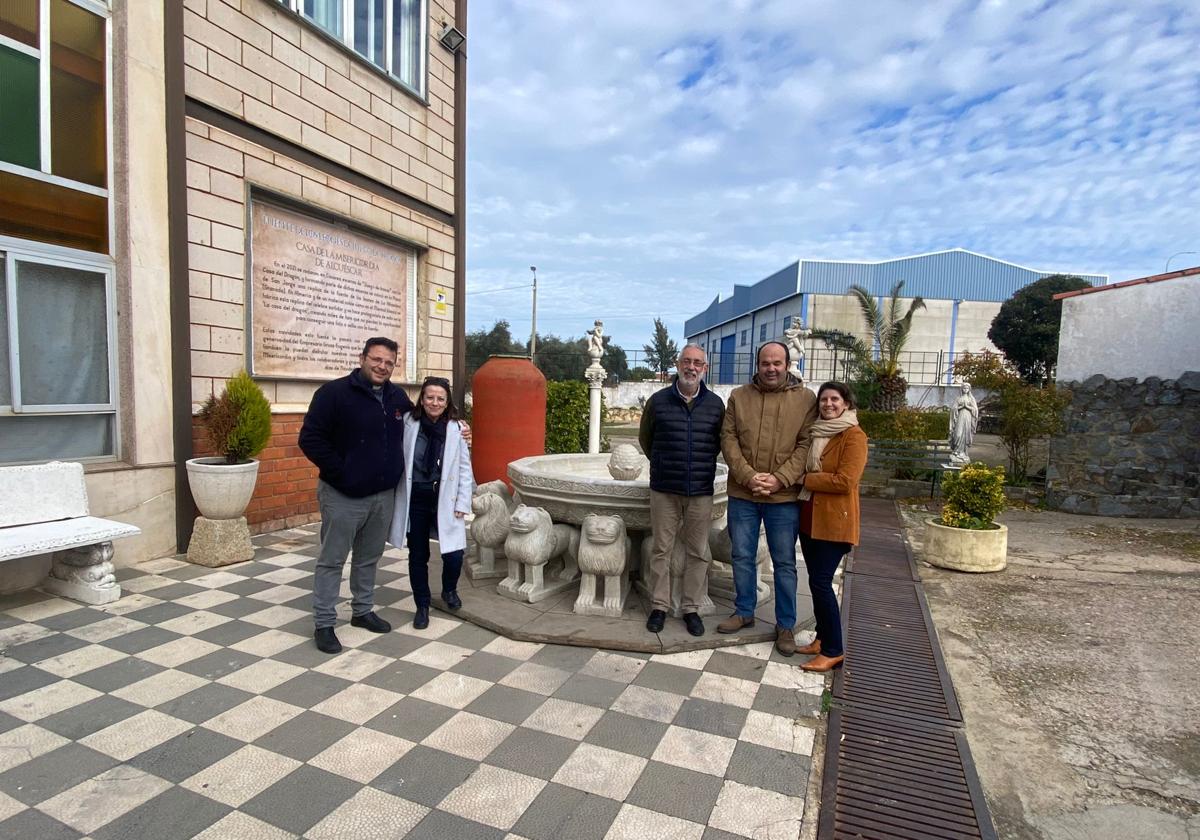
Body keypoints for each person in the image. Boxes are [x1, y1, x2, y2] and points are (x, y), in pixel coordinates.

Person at [299, 337, 411, 654]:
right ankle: (324, 623)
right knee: (332, 560)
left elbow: (423, 423)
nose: (382, 366)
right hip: (342, 495)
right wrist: (342, 472)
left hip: (382, 496)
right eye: (376, 359)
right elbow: (310, 438)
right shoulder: (333, 394)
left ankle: (362, 611)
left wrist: (457, 426)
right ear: (362, 358)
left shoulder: (397, 397)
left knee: (368, 558)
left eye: (389, 362)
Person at [717, 341, 818, 656]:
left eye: (777, 363)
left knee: (784, 563)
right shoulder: (739, 397)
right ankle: (744, 611)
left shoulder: (806, 400)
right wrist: (749, 477)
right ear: (757, 364)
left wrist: (778, 480)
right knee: (742, 555)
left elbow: (806, 443)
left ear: (787, 365)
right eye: (765, 363)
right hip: (743, 494)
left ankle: (785, 624)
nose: (771, 369)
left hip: (783, 497)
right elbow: (728, 438)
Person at [639, 344, 725, 637]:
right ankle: (659, 606)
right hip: (665, 489)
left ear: (705, 368)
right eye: (686, 361)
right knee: (661, 549)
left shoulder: (715, 405)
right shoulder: (658, 401)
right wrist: (665, 463)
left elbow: (718, 443)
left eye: (697, 362)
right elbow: (646, 440)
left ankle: (691, 608)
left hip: (700, 490)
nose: (691, 367)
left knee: (698, 551)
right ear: (678, 364)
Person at [388, 377, 475, 629]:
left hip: (444, 498)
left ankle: (449, 590)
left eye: (440, 398)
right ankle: (422, 605)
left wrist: (463, 501)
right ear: (422, 399)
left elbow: (464, 468)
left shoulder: (456, 429)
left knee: (454, 555)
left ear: (447, 402)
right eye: (429, 397)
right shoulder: (408, 423)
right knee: (418, 555)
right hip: (416, 497)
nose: (434, 403)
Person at [797, 381, 868, 672]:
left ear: (846, 404)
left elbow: (845, 481)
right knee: (816, 581)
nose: (828, 404)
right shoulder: (817, 433)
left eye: (834, 399)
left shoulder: (854, 436)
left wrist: (805, 479)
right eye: (824, 399)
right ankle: (823, 637)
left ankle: (834, 650)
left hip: (835, 523)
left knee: (821, 583)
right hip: (810, 520)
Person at [948, 381, 979, 464]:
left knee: (965, 435)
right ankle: (956, 451)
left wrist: (967, 407)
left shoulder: (971, 398)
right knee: (958, 434)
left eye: (967, 388)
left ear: (969, 389)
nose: (965, 389)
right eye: (964, 388)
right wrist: (960, 407)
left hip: (968, 418)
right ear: (962, 389)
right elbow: (953, 409)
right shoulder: (959, 398)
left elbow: (975, 410)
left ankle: (963, 453)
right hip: (960, 418)